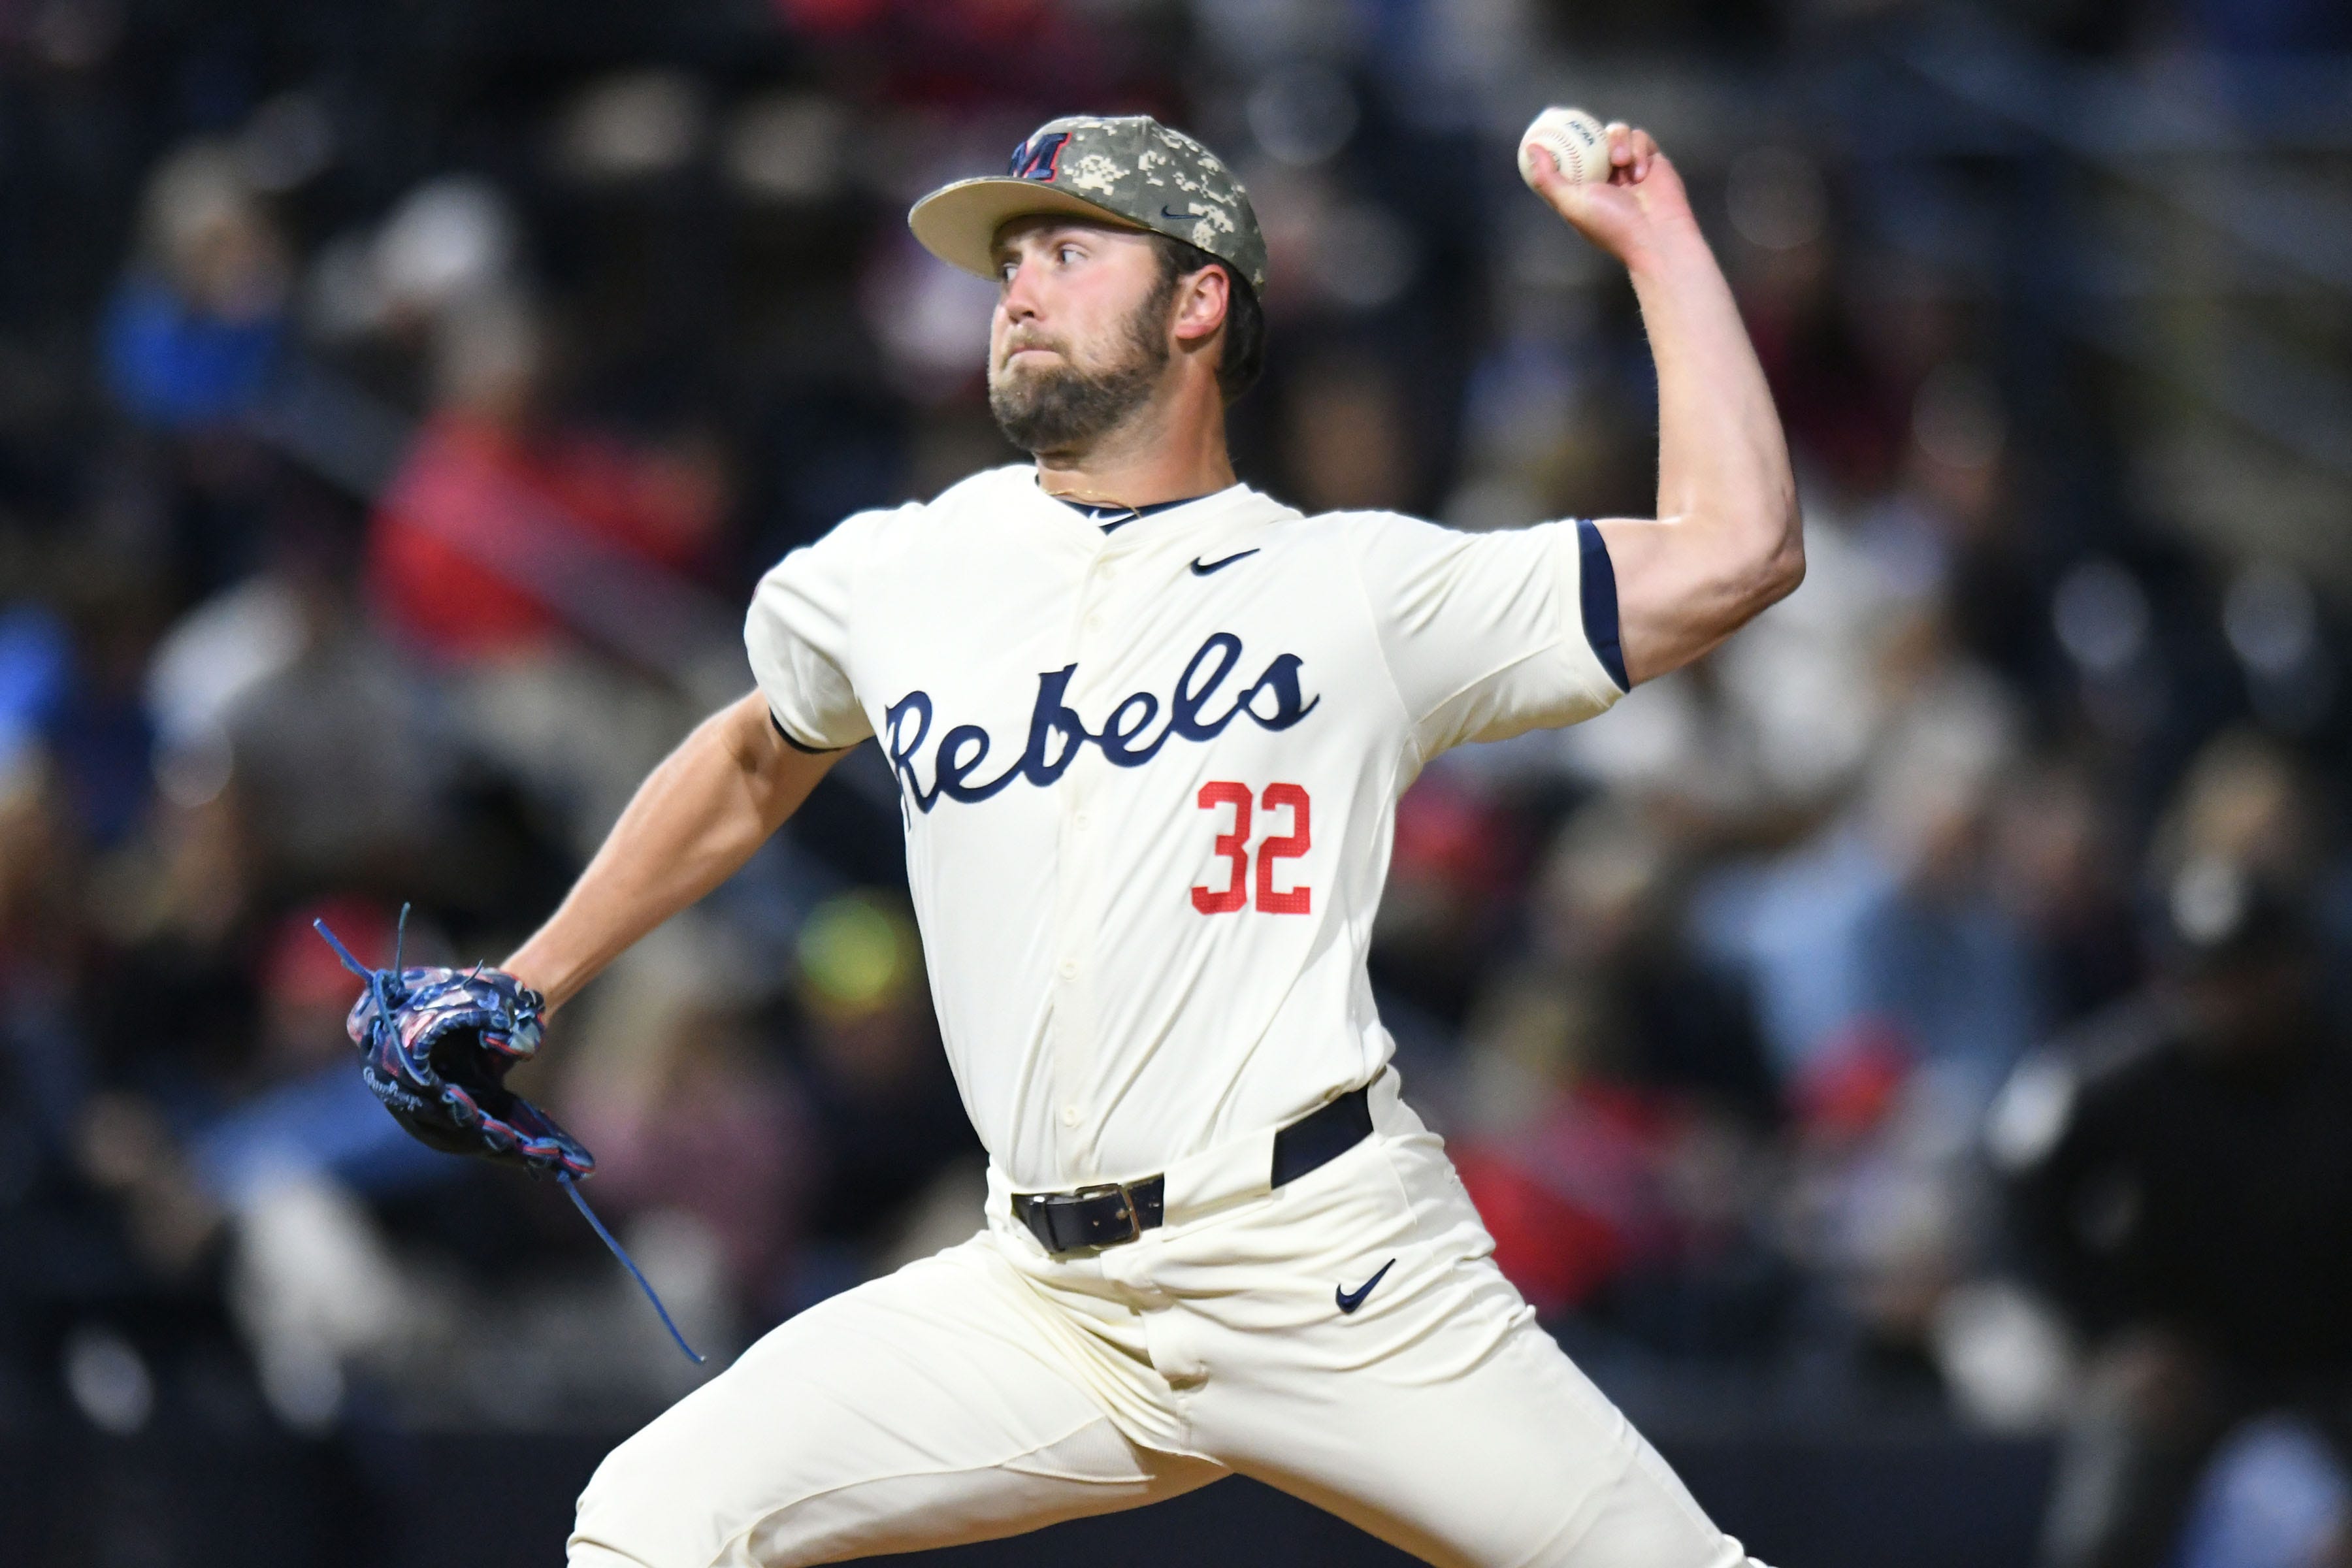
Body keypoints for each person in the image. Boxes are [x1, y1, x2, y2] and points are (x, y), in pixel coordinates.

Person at [502, 113, 1800, 1566]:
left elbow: (1737, 548)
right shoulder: (901, 571)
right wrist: (533, 979)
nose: (1018, 288)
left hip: (1323, 1261)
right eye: (1010, 261)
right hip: (1045, 1297)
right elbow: (758, 752)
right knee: (653, 1520)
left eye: (1068, 248)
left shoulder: (1352, 590)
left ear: (1200, 302)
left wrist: (1658, 242)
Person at [1990, 858, 2352, 1568]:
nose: (2225, 1000)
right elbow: (2015, 1198)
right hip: (2185, 1368)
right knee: (2099, 1540)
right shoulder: (2117, 1074)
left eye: (2246, 976)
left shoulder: (2338, 1075)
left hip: (2334, 1366)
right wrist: (2113, 1336)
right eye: (2204, 978)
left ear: (2294, 972)